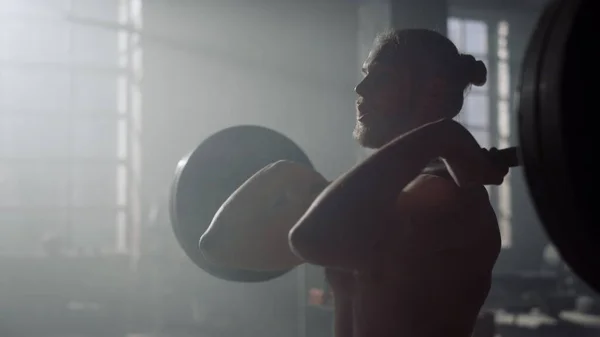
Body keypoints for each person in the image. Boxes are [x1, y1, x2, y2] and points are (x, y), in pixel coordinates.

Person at [289, 28, 508, 337]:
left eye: (382, 78)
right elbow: (216, 246)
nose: (360, 87)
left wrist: (444, 135)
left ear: (433, 90)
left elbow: (311, 238)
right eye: (365, 75)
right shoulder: (400, 188)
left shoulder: (443, 194)